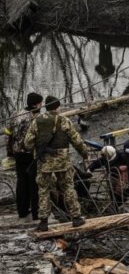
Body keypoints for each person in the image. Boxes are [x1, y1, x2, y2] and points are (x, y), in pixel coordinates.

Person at [24, 95, 91, 231]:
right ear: (57, 107)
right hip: (63, 161)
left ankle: (43, 222)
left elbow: (27, 143)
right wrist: (85, 153)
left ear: (46, 107)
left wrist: (38, 149)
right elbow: (76, 141)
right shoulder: (64, 120)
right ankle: (76, 218)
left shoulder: (37, 122)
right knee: (68, 188)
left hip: (45, 163)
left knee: (43, 190)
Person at [5, 92, 42, 220]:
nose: (41, 105)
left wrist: (9, 151)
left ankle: (22, 211)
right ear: (36, 104)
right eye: (40, 103)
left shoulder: (16, 114)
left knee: (21, 182)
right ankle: (36, 213)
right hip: (30, 154)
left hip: (17, 154)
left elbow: (8, 133)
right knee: (33, 183)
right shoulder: (35, 117)